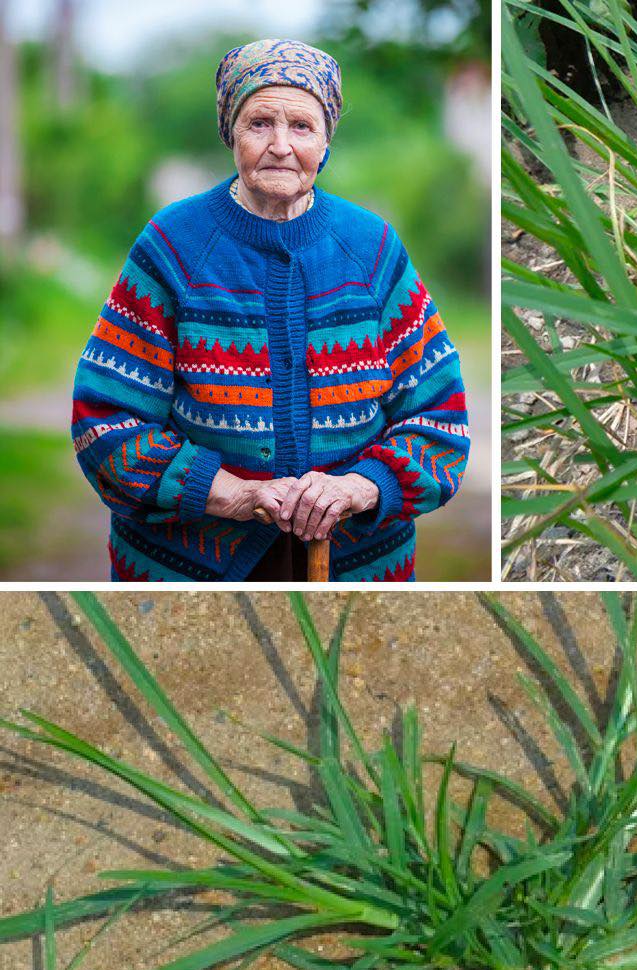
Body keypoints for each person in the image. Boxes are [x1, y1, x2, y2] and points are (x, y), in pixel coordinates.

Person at [71, 38, 469, 581]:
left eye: (301, 127)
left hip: (356, 567)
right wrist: (231, 494)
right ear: (229, 132)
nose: (280, 145)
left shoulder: (371, 247)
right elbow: (107, 423)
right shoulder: (173, 243)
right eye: (260, 123)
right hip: (189, 566)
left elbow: (440, 423)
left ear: (326, 140)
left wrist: (357, 489)